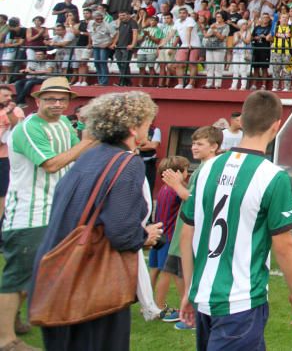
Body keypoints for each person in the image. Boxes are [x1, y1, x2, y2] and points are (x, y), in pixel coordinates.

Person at [30, 91, 164, 350]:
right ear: (133, 127)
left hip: (58, 276)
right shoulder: (127, 162)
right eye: (148, 121)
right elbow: (121, 232)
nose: (150, 126)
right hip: (91, 284)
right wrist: (146, 236)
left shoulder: (89, 157)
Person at [178, 91, 292, 343]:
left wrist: (189, 289)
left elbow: (187, 232)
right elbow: (284, 244)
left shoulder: (207, 168)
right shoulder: (273, 176)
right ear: (276, 125)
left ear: (242, 122)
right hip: (241, 301)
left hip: (204, 295)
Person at [0, 77, 96, 351]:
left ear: (69, 102)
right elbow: (51, 164)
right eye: (50, 99)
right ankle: (5, 340)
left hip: (55, 211)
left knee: (33, 274)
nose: (56, 104)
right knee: (17, 275)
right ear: (37, 100)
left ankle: (15, 321)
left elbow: (73, 157)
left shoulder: (64, 124)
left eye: (62, 100)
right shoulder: (29, 128)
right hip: (30, 213)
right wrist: (88, 142)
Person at [160, 125, 223, 332]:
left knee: (187, 272)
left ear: (214, 147)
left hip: (193, 232)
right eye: (194, 143)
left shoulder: (210, 168)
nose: (194, 147)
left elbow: (198, 200)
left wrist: (177, 186)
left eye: (200, 144)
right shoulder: (204, 167)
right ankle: (187, 309)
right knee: (176, 271)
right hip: (184, 231)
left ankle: (192, 314)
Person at [150, 155, 190, 324]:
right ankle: (159, 308)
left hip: (158, 235)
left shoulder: (163, 190)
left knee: (154, 271)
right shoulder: (175, 190)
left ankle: (148, 305)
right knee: (167, 273)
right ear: (178, 173)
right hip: (169, 237)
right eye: (186, 170)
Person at [0, 87, 25, 227]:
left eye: (10, 95)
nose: (9, 98)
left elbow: (19, 129)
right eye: (5, 95)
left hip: (5, 159)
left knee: (2, 195)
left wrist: (9, 113)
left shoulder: (16, 111)